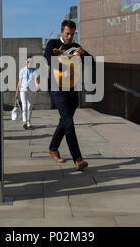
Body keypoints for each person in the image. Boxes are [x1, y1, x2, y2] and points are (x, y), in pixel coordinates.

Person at [44, 20, 90, 171]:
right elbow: (48, 58)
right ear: (62, 32)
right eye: (67, 34)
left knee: (64, 121)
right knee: (69, 122)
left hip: (72, 88)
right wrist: (62, 64)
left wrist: (84, 54)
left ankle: (53, 147)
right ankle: (78, 159)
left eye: (72, 34)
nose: (69, 37)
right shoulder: (53, 43)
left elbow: (92, 63)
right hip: (57, 88)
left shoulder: (76, 47)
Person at [15, 56, 39, 130]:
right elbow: (19, 82)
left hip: (31, 90)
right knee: (25, 105)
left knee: (30, 106)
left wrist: (37, 86)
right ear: (26, 62)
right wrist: (16, 92)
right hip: (23, 89)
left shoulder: (35, 70)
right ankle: (24, 122)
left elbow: (36, 81)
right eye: (28, 62)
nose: (29, 63)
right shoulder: (22, 70)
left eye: (30, 62)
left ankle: (28, 122)